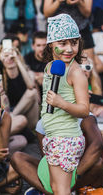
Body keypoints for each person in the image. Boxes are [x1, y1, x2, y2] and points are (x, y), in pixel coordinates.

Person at [39, 13, 89, 194]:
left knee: (61, 190)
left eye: (74, 43)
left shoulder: (76, 73)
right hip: (54, 135)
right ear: (51, 44)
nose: (69, 49)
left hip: (66, 137)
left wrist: (61, 103)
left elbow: (84, 110)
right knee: (55, 187)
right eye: (63, 43)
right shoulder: (52, 66)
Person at [11, 115, 103, 195]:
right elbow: (46, 160)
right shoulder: (42, 124)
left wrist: (75, 176)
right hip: (57, 172)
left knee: (98, 164)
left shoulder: (85, 118)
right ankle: (55, 191)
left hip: (81, 171)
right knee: (18, 157)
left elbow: (97, 146)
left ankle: (55, 191)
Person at [0, 43, 39, 130]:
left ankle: (13, 116)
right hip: (8, 114)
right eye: (6, 56)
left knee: (32, 92)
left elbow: (31, 86)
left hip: (26, 116)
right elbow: (0, 94)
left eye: (11, 55)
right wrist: (0, 62)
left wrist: (18, 61)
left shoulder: (28, 72)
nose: (9, 58)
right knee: (21, 141)